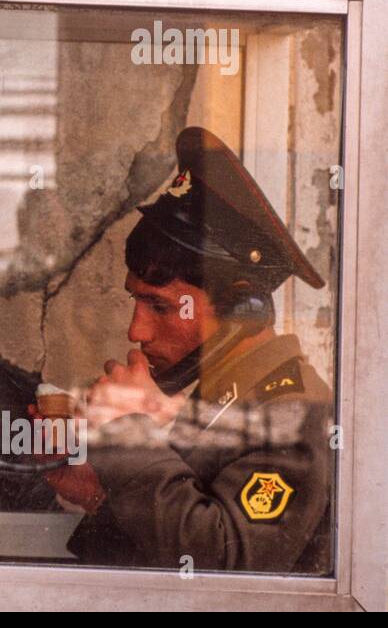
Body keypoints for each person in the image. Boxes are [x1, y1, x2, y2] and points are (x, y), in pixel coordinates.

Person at [37, 126, 334, 573]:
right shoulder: (221, 399)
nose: (137, 330)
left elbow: (227, 565)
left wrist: (128, 436)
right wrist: (99, 493)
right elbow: (168, 556)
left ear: (238, 306)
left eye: (160, 306)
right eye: (136, 301)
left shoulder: (292, 413)